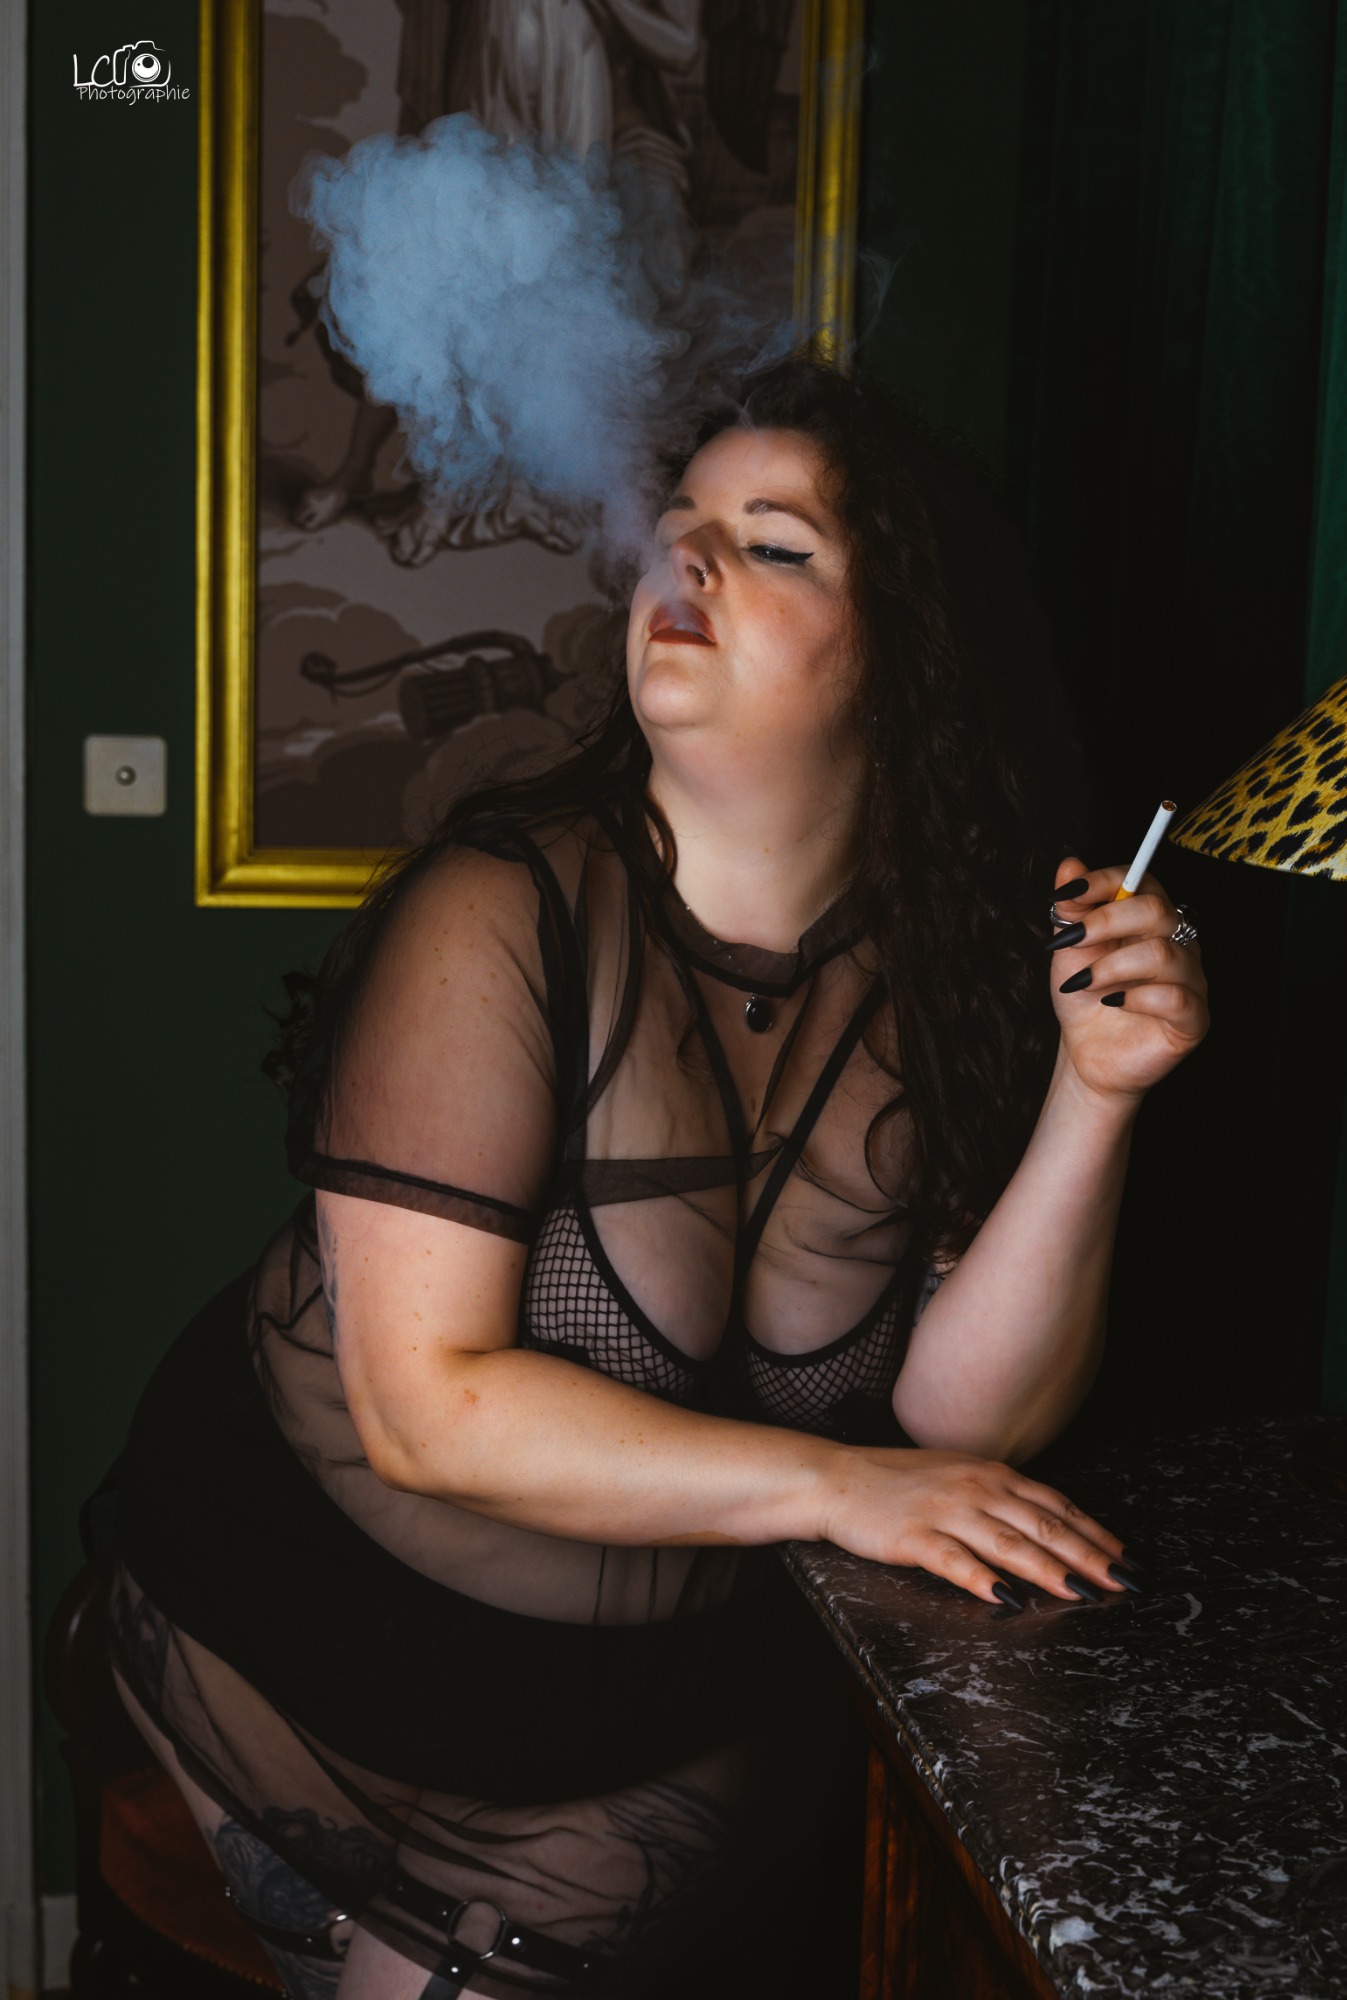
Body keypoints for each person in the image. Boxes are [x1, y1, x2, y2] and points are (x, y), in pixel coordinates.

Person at [107, 358, 1210, 2000]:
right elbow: (424, 1412)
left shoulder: (957, 967)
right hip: (305, 1645)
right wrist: (837, 1488)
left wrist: (1097, 1097)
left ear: (905, 646)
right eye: (678, 523)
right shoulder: (501, 910)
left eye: (773, 543)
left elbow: (963, 1427)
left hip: (654, 1724)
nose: (682, 558)